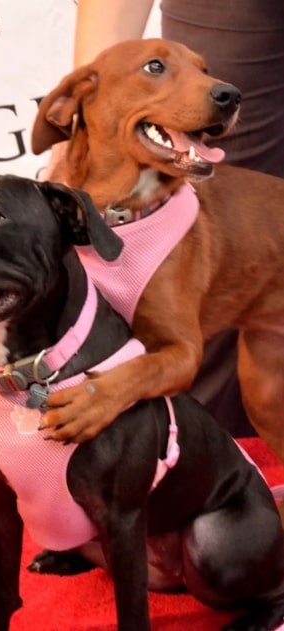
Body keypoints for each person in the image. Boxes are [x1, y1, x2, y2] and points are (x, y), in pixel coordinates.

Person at [42, 0, 284, 437]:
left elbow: (177, 354)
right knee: (263, 400)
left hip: (248, 286)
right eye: (157, 68)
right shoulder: (56, 215)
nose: (217, 86)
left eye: (203, 71)